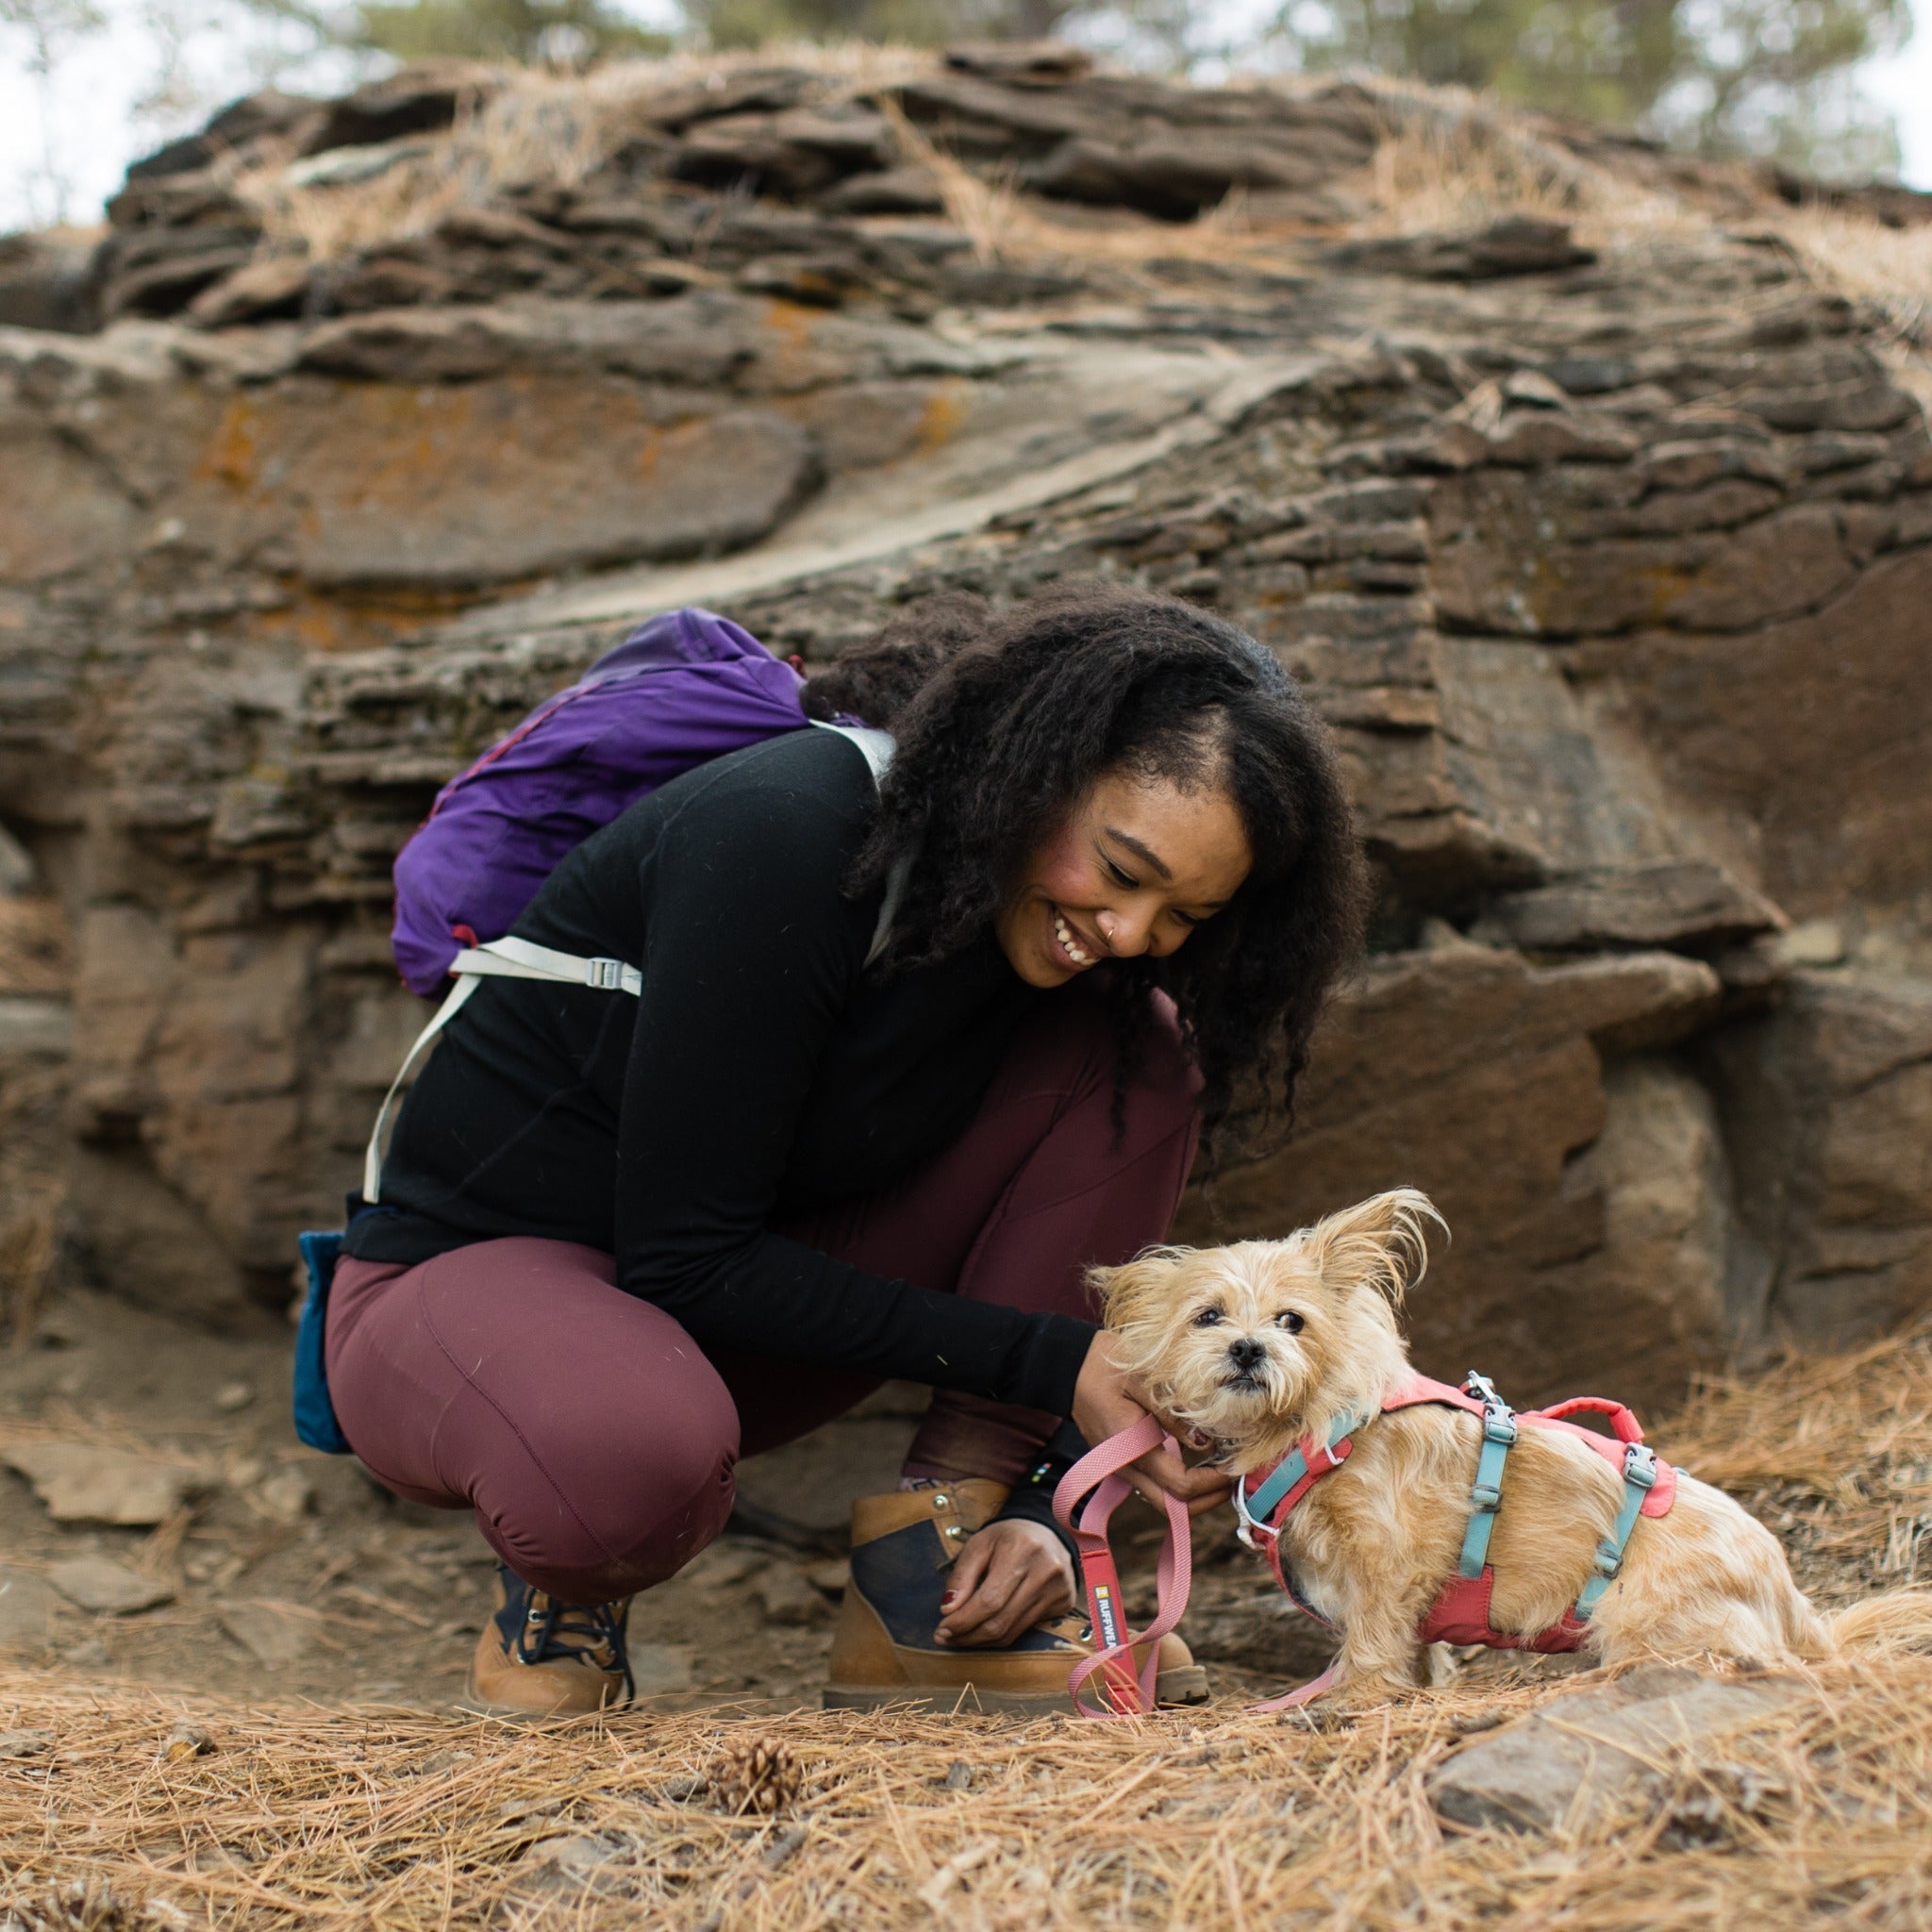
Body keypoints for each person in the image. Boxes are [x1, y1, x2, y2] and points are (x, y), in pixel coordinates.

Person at [325, 582, 1368, 1715]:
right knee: (619, 1466)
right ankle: (559, 1575)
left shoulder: (1038, 947)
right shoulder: (785, 829)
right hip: (459, 1295)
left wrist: (1038, 1493)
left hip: (714, 1311)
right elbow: (687, 1258)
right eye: (1121, 871)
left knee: (1138, 1056)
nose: (1129, 935)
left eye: (1185, 915)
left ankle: (941, 1571)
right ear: (1035, 767)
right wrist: (1060, 1365)